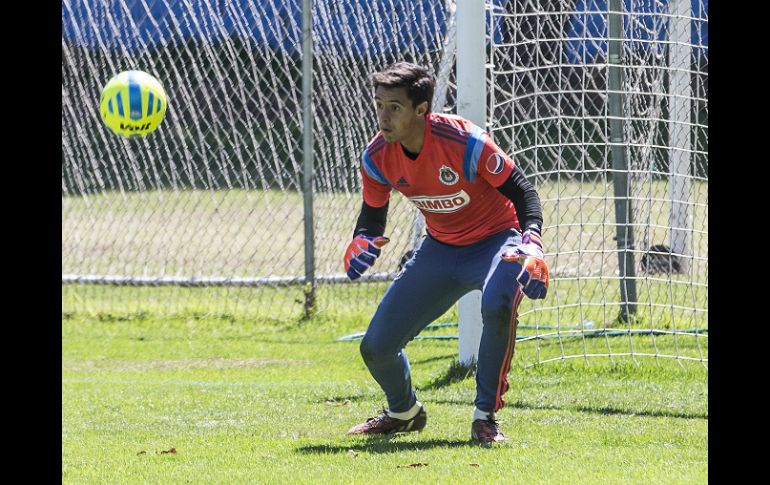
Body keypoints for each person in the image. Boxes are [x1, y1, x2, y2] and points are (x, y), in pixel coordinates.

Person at [343, 62, 549, 445]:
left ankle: (484, 417)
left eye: (394, 107)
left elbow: (524, 193)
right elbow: (373, 217)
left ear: (421, 110)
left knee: (498, 302)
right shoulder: (376, 156)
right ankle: (404, 412)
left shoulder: (465, 142)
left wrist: (532, 241)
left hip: (497, 242)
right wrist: (362, 240)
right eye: (378, 105)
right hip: (439, 250)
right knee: (376, 347)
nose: (383, 117)